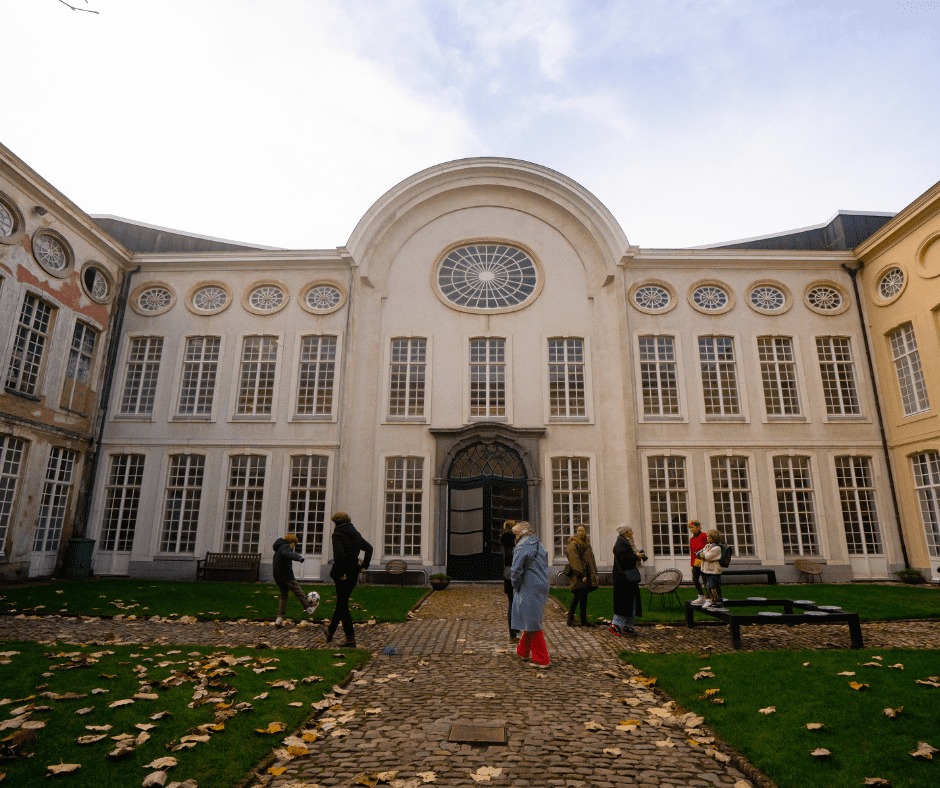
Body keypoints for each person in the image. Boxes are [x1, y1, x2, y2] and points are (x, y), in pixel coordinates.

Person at [326, 511, 373, 647]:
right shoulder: (355, 534)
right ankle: (331, 631)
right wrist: (364, 566)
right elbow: (369, 548)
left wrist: (340, 573)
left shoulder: (337, 534)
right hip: (354, 573)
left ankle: (350, 639)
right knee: (342, 603)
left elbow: (339, 555)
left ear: (337, 522)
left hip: (343, 574)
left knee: (342, 605)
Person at [510, 522, 550, 668]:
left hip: (529, 585)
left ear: (520, 534)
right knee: (531, 616)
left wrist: (516, 585)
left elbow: (515, 570)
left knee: (532, 621)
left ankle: (542, 659)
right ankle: (523, 650)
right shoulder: (539, 544)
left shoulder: (522, 546)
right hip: (542, 584)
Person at [272, 533, 318, 627]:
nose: (293, 547)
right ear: (292, 543)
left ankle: (279, 618)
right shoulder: (285, 547)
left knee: (284, 596)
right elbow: (287, 553)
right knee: (298, 591)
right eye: (294, 544)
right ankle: (308, 608)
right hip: (286, 575)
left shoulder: (278, 548)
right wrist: (299, 557)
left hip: (278, 576)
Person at [610, 525, 646, 636]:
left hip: (629, 578)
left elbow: (630, 555)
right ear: (625, 533)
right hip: (623, 578)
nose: (632, 532)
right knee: (623, 602)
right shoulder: (620, 544)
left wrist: (639, 555)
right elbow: (623, 559)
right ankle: (615, 624)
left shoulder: (628, 542)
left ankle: (628, 626)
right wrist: (636, 556)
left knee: (632, 602)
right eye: (630, 531)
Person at [566, 525, 599, 627]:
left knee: (584, 597)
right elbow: (574, 560)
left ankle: (583, 619)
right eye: (578, 531)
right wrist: (581, 574)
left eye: (582, 531)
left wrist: (595, 573)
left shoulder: (587, 544)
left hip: (587, 575)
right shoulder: (573, 544)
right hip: (578, 575)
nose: (580, 532)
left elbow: (591, 559)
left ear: (585, 531)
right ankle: (570, 619)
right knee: (577, 596)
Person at [500, 520, 519, 640]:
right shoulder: (513, 543)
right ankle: (513, 632)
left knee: (512, 603)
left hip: (508, 573)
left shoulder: (505, 541)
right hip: (515, 573)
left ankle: (514, 631)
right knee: (514, 603)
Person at [697, 529, 725, 608]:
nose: (707, 538)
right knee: (708, 586)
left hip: (713, 571)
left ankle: (718, 601)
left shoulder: (717, 548)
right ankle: (713, 600)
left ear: (712, 538)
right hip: (706, 570)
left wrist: (703, 555)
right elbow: (699, 552)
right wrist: (700, 554)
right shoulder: (708, 546)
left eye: (708, 537)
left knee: (714, 587)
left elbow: (708, 556)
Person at [688, 520, 708, 605]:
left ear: (698, 527)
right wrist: (692, 564)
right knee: (695, 579)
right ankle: (701, 596)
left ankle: (709, 598)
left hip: (704, 561)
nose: (691, 529)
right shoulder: (692, 539)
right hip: (696, 562)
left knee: (705, 580)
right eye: (690, 528)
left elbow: (708, 547)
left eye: (692, 527)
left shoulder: (704, 536)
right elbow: (692, 552)